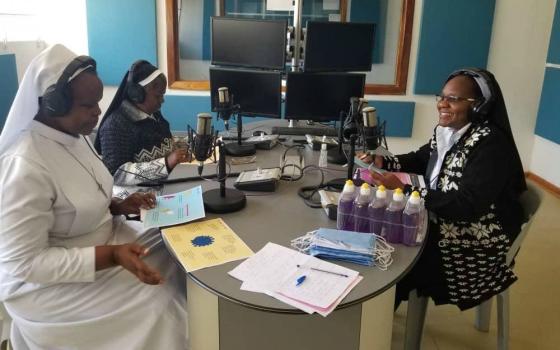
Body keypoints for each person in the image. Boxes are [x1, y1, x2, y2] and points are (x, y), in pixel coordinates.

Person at [0, 44, 187, 349]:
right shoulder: (23, 167)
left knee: (176, 250)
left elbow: (79, 193)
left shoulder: (73, 137)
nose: (98, 112)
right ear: (53, 104)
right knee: (161, 304)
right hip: (47, 287)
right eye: (88, 106)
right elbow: (25, 264)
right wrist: (111, 256)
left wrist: (116, 204)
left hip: (102, 240)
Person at [361, 68, 527, 310]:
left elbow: (466, 207)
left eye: (454, 99)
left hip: (471, 241)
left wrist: (407, 191)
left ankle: (377, 323)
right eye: (441, 97)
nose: (443, 104)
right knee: (385, 233)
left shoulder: (491, 145)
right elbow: (421, 158)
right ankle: (377, 316)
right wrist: (384, 162)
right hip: (442, 218)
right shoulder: (448, 131)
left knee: (395, 254)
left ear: (479, 105)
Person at [94, 60, 190, 198]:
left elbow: (165, 144)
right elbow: (116, 173)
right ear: (137, 94)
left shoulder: (154, 115)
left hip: (162, 190)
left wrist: (188, 143)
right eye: (158, 96)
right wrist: (166, 163)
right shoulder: (115, 125)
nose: (162, 100)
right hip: (133, 203)